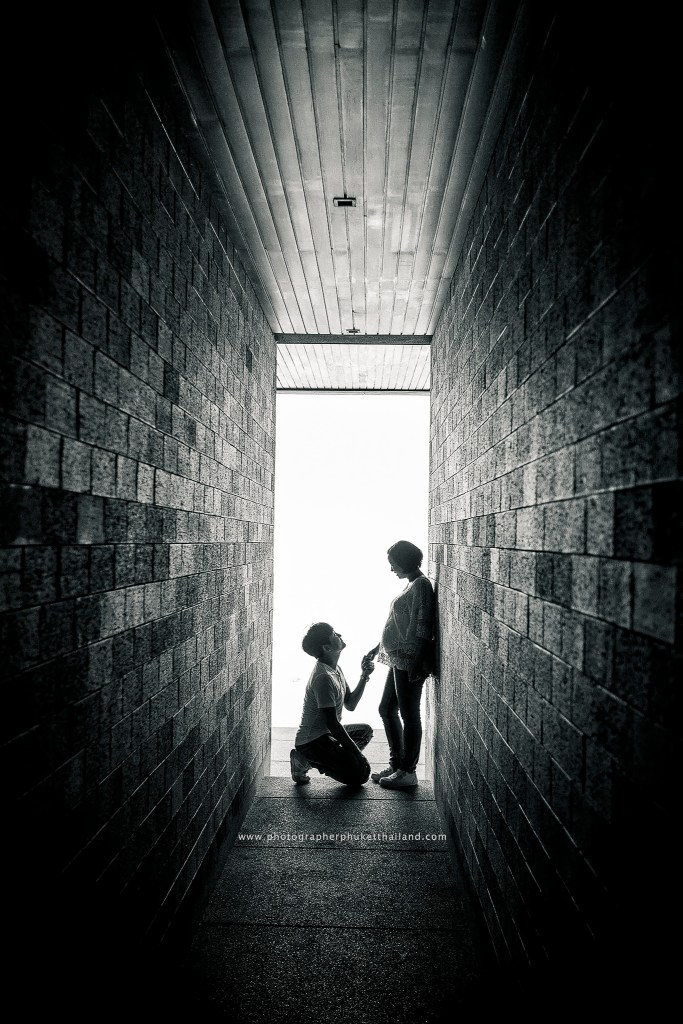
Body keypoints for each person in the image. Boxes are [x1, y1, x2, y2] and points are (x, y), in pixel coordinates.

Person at [365, 540, 435, 789]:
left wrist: (417, 663)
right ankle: (397, 764)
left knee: (409, 714)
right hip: (397, 657)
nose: (391, 568)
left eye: (393, 564)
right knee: (386, 708)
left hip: (409, 660)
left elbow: (423, 626)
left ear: (404, 561)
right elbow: (397, 624)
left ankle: (408, 771)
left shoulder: (422, 586)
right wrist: (378, 648)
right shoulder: (412, 585)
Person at [290, 622, 375, 787]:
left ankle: (325, 760)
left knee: (365, 732)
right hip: (311, 742)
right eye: (335, 634)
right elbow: (333, 723)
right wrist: (357, 754)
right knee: (361, 775)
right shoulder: (323, 678)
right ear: (327, 648)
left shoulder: (335, 669)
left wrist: (364, 675)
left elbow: (350, 704)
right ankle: (305, 760)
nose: (340, 635)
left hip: (326, 734)